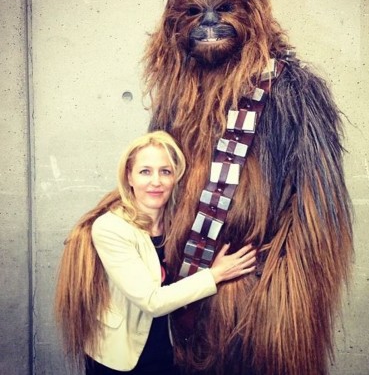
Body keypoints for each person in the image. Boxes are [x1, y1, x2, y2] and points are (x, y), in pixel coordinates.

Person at [54, 130, 256, 375]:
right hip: (123, 359)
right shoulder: (110, 228)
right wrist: (216, 274)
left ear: (175, 177)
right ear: (129, 177)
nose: (156, 181)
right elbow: (152, 301)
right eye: (145, 171)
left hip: (169, 352)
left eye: (165, 171)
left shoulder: (177, 225)